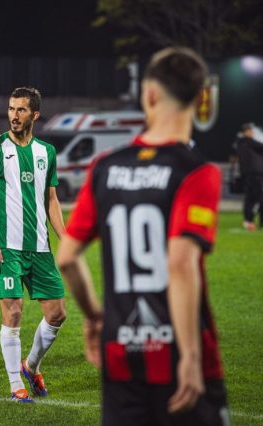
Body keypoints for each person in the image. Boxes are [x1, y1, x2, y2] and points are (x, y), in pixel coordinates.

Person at [57, 47, 229, 425]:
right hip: (177, 352)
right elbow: (180, 263)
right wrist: (191, 356)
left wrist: (94, 317)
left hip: (120, 350)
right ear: (201, 99)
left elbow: (67, 258)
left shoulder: (105, 168)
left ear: (149, 94)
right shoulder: (196, 171)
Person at [0, 87, 67, 403]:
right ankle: (16, 385)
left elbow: (51, 200)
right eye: (11, 109)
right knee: (13, 311)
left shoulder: (47, 152)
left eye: (21, 110)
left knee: (57, 313)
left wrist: (66, 238)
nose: (14, 116)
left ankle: (31, 366)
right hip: (7, 247)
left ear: (35, 115)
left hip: (40, 247)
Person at [235, 122, 263, 230]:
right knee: (259, 197)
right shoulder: (248, 142)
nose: (251, 132)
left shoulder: (240, 143)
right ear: (245, 132)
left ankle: (248, 220)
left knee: (250, 198)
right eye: (249, 130)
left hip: (247, 174)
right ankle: (259, 221)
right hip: (256, 174)